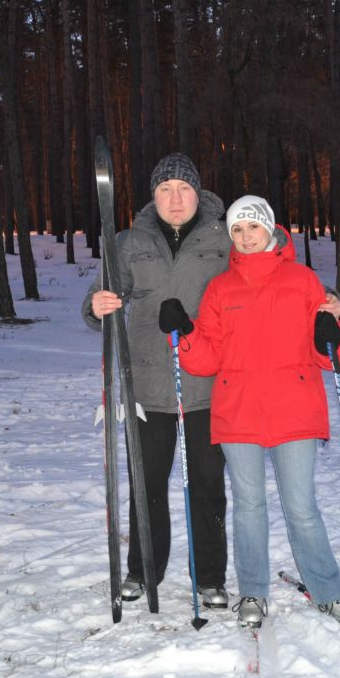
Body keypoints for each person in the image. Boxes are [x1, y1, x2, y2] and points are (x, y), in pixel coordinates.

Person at [158, 195, 340, 630]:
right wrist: (184, 332)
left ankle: (328, 590)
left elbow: (332, 356)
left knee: (301, 506)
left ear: (270, 230)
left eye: (253, 227)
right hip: (239, 412)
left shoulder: (303, 281)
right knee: (248, 506)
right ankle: (253, 590)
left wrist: (331, 331)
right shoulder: (221, 288)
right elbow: (207, 358)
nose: (246, 237)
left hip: (294, 408)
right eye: (237, 230)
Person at [82, 153, 231, 610]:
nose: (175, 198)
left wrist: (326, 301)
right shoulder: (128, 241)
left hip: (208, 382)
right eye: (165, 189)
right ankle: (142, 570)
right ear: (153, 196)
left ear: (198, 193)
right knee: (146, 484)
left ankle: (209, 579)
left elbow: (271, 273)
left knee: (208, 485)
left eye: (183, 189)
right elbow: (98, 300)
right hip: (146, 385)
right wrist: (97, 307)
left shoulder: (224, 238)